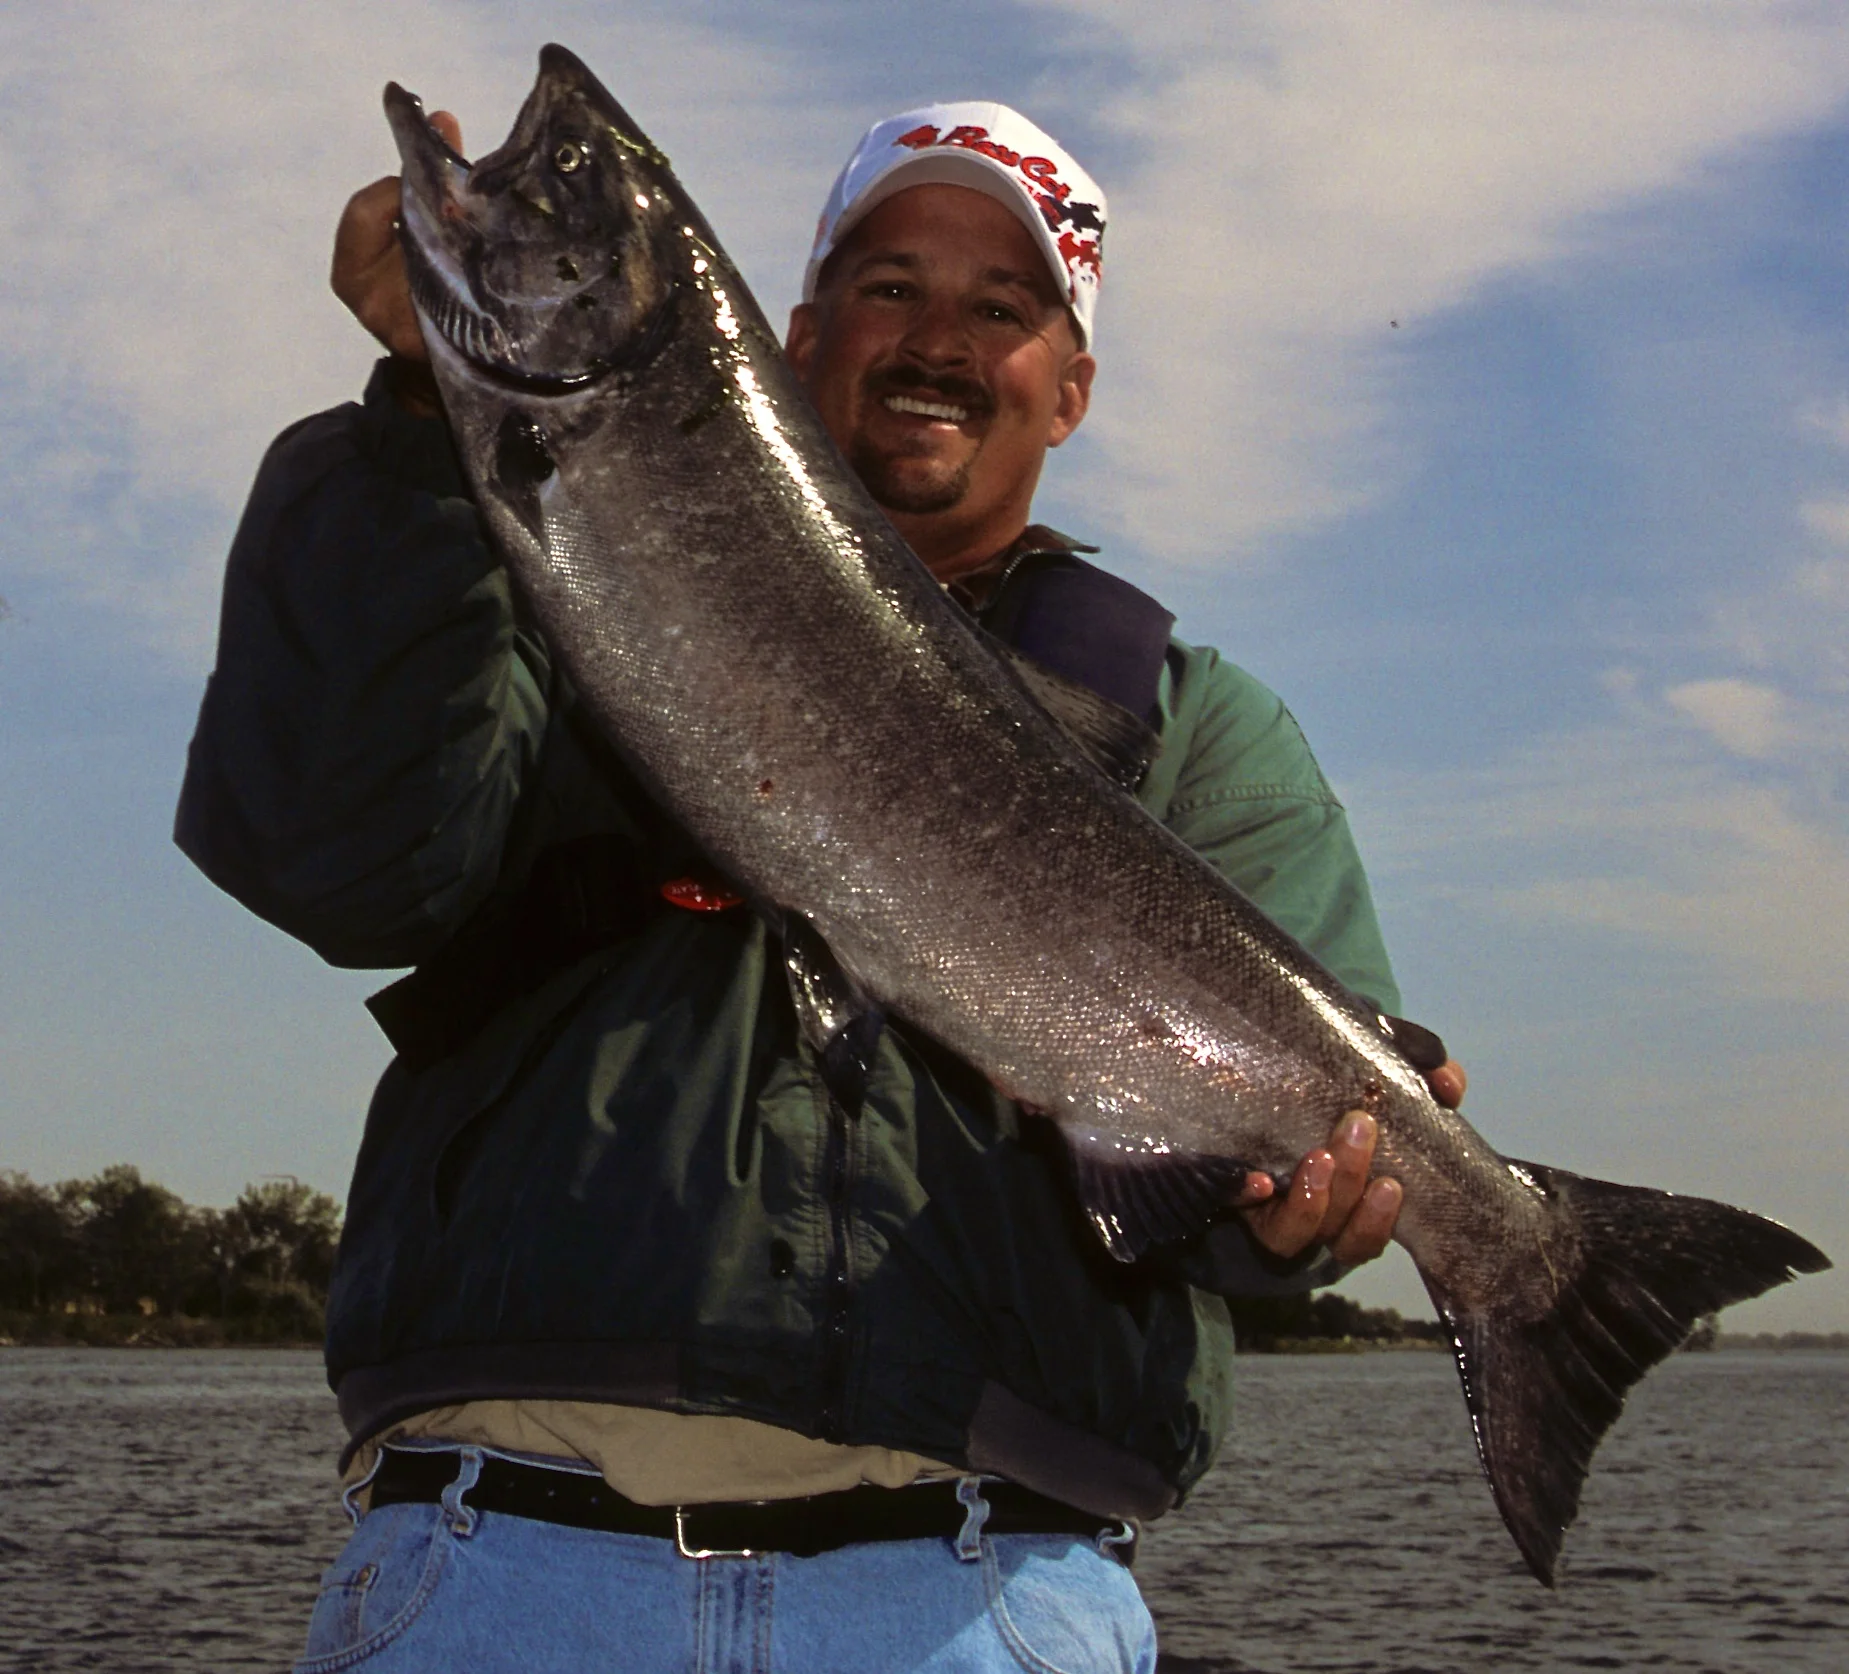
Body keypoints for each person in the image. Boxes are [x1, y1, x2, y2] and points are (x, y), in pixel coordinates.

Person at [178, 98, 1464, 1674]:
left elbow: (1260, 1202)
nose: (939, 339)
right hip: (501, 1563)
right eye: (889, 284)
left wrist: (1302, 1213)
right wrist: (416, 416)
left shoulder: (1206, 732)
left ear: (1071, 388)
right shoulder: (520, 568)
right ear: (789, 334)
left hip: (986, 1601)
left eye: (1005, 308)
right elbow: (338, 858)